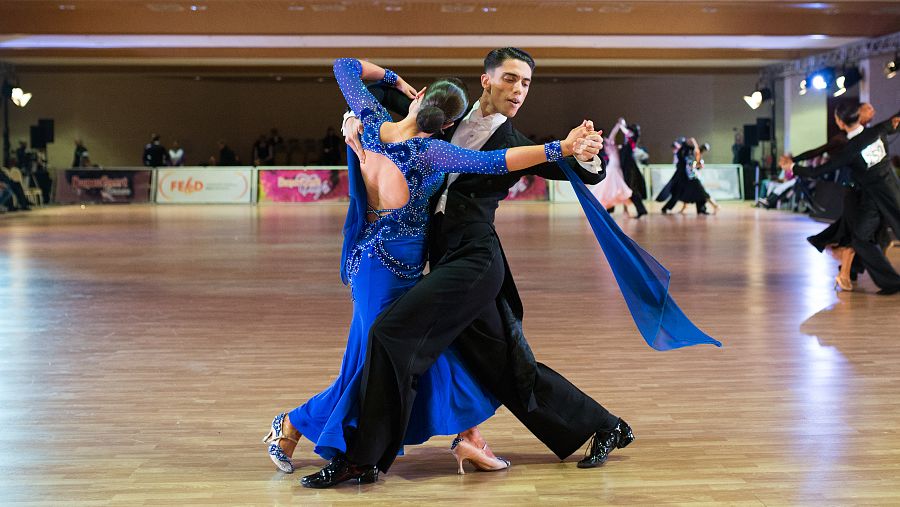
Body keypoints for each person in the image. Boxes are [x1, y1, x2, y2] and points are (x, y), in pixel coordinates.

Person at [301, 48, 639, 489]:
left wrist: (585, 151)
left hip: (476, 260)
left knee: (391, 334)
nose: (519, 90)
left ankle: (362, 458)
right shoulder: (444, 116)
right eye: (511, 80)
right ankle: (605, 425)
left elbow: (578, 172)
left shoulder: (517, 143)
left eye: (526, 84)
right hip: (443, 260)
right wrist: (383, 95)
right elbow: (358, 87)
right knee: (506, 364)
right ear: (486, 80)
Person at [783, 101, 900, 295]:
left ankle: (884, 280)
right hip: (881, 195)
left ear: (839, 122)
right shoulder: (878, 130)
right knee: (861, 239)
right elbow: (896, 121)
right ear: (858, 115)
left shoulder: (850, 150)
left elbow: (816, 171)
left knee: (869, 238)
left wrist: (792, 168)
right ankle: (891, 283)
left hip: (882, 196)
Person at [589, 118, 638, 215]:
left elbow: (614, 137)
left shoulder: (613, 146)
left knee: (618, 189)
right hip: (613, 169)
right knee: (612, 189)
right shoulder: (610, 146)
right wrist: (618, 126)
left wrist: (619, 126)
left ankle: (624, 210)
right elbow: (613, 135)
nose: (609, 140)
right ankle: (607, 208)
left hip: (617, 168)